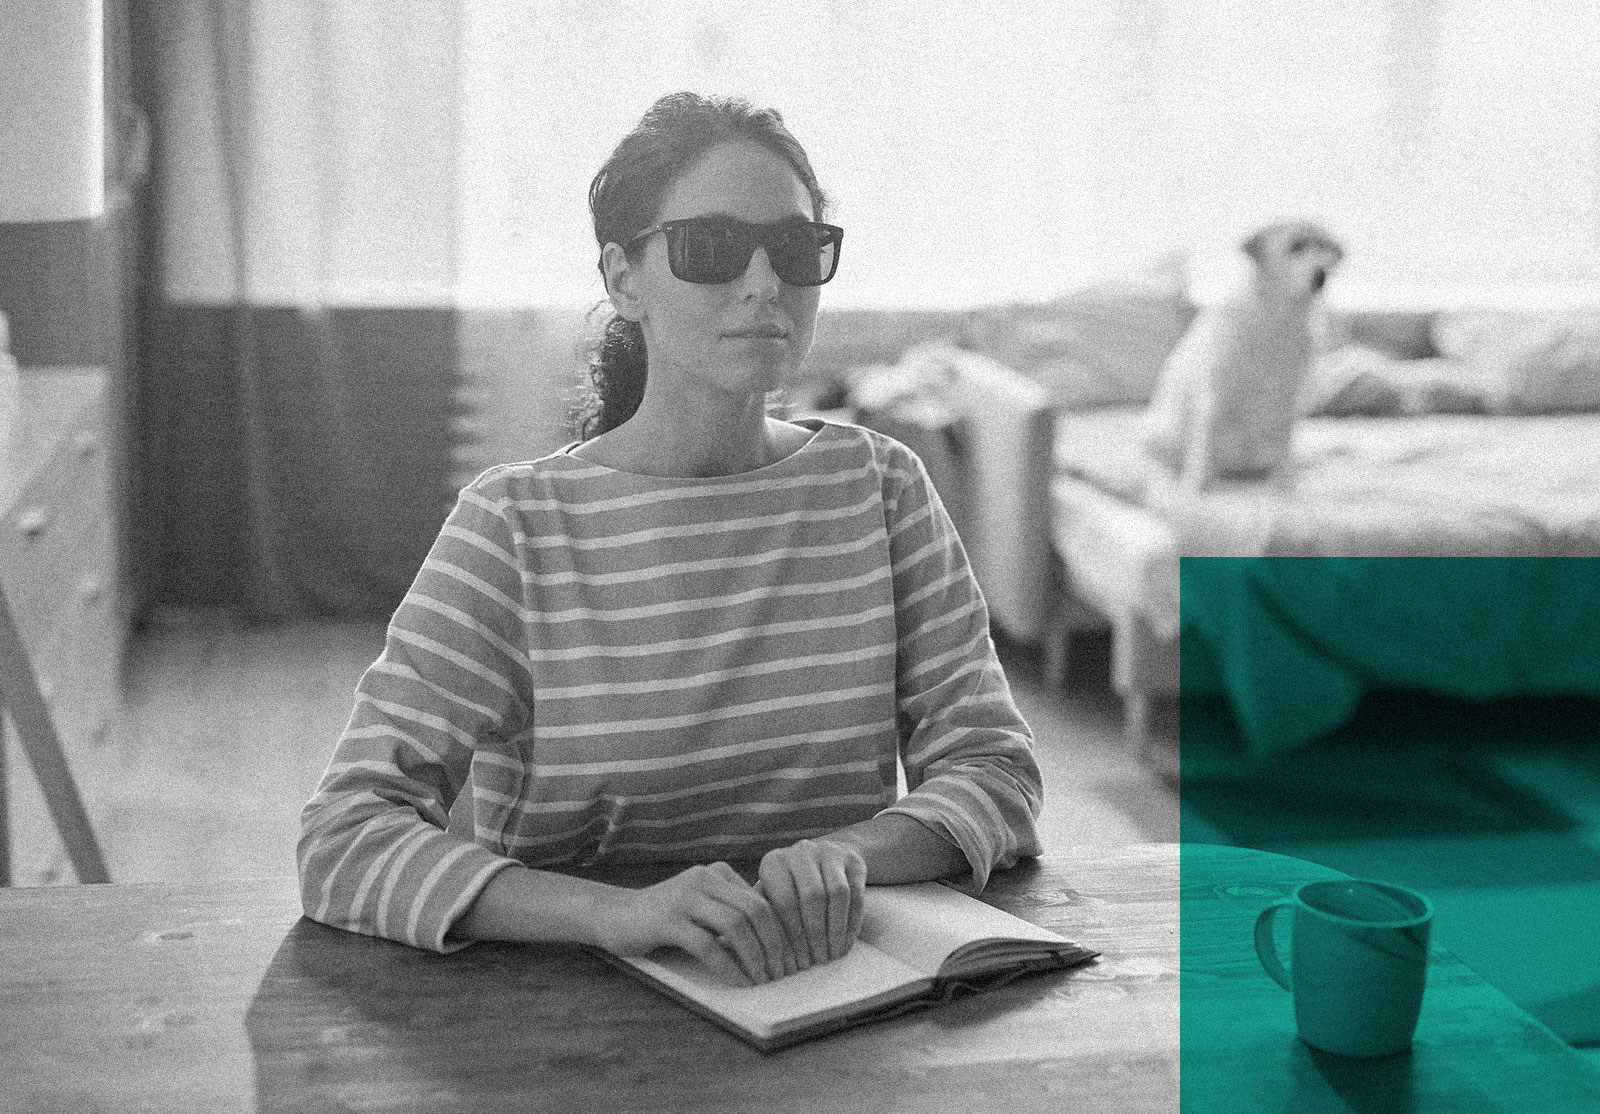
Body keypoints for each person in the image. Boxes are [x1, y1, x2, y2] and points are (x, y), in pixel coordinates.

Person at [297, 92, 1044, 988]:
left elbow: (995, 771)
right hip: (574, 1015)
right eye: (711, 250)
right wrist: (617, 916)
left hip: (832, 996)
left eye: (796, 249)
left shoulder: (880, 490)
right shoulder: (516, 528)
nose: (765, 285)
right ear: (623, 280)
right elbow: (345, 836)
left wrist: (845, 855)